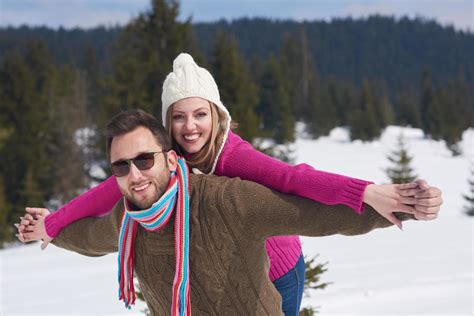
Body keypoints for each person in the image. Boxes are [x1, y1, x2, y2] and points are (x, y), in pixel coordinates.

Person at [18, 53, 442, 316]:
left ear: (216, 114)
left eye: (200, 114)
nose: (190, 127)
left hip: (277, 267)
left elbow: (295, 183)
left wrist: (368, 193)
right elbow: (105, 194)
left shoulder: (231, 155)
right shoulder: (162, 164)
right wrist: (52, 224)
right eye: (179, 117)